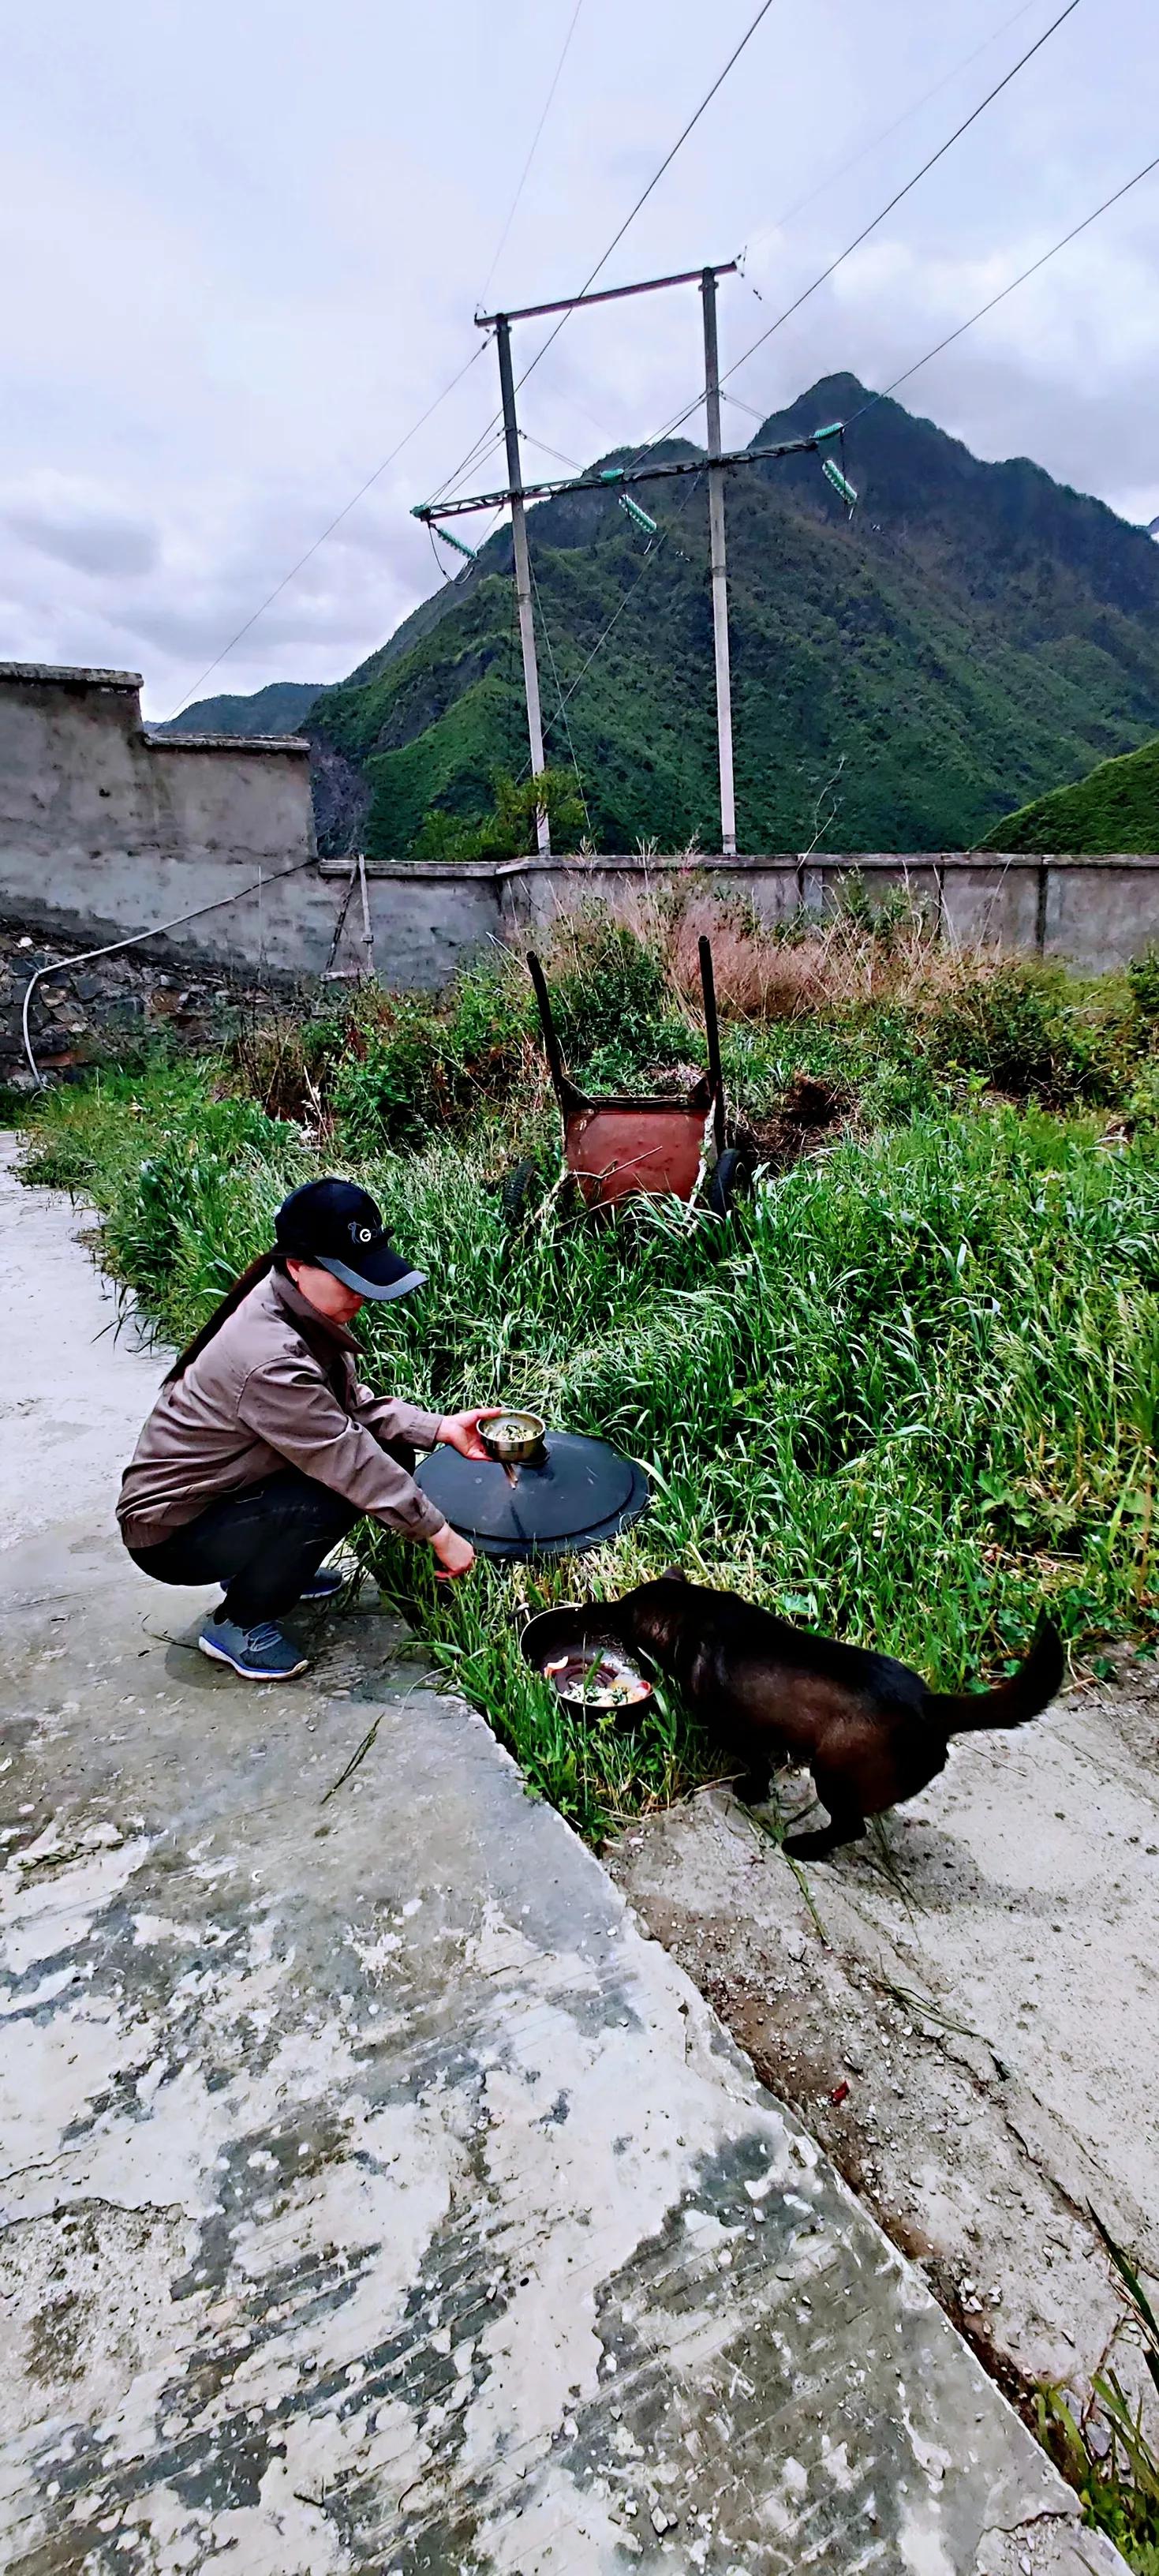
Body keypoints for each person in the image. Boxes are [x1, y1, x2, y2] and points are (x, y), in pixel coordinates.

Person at [118, 1176, 493, 1681]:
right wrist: (439, 1532)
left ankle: (271, 1571)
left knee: (390, 1448)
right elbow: (346, 1458)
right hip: (172, 1534)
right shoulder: (269, 1355)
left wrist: (440, 1428)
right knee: (335, 1493)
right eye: (349, 1280)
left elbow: (346, 1410)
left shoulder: (296, 1308)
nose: (362, 1295)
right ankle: (239, 1621)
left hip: (224, 1496)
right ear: (297, 1266)